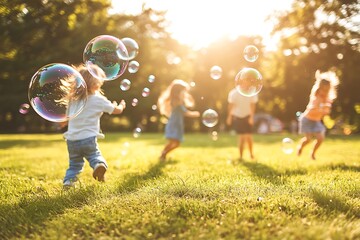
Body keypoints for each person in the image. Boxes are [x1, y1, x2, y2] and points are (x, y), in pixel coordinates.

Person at [62, 64, 126, 187]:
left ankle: (68, 181)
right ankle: (98, 165)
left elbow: (66, 118)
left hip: (72, 140)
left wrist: (62, 123)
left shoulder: (73, 100)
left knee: (74, 164)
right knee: (94, 155)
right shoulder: (98, 99)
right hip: (88, 138)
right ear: (96, 83)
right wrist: (121, 106)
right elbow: (116, 110)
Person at [297, 70, 339, 160]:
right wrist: (320, 108)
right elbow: (314, 107)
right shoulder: (315, 96)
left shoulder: (328, 99)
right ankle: (300, 147)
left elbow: (326, 111)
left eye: (327, 90)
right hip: (307, 119)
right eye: (323, 90)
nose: (324, 92)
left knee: (321, 138)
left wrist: (325, 110)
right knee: (308, 139)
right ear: (319, 88)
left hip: (316, 121)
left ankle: (313, 153)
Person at [157, 79, 200, 161]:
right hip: (173, 125)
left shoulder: (180, 101)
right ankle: (163, 154)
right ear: (177, 92)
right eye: (183, 92)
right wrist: (194, 114)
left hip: (177, 125)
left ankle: (163, 153)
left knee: (176, 143)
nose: (185, 94)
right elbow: (185, 112)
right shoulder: (176, 101)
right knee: (174, 142)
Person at [226, 85, 258, 160]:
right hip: (238, 116)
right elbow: (231, 106)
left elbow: (253, 105)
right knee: (241, 138)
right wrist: (229, 117)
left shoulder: (251, 92)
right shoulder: (233, 93)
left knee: (249, 137)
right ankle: (241, 156)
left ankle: (251, 154)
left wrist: (251, 117)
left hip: (248, 116)